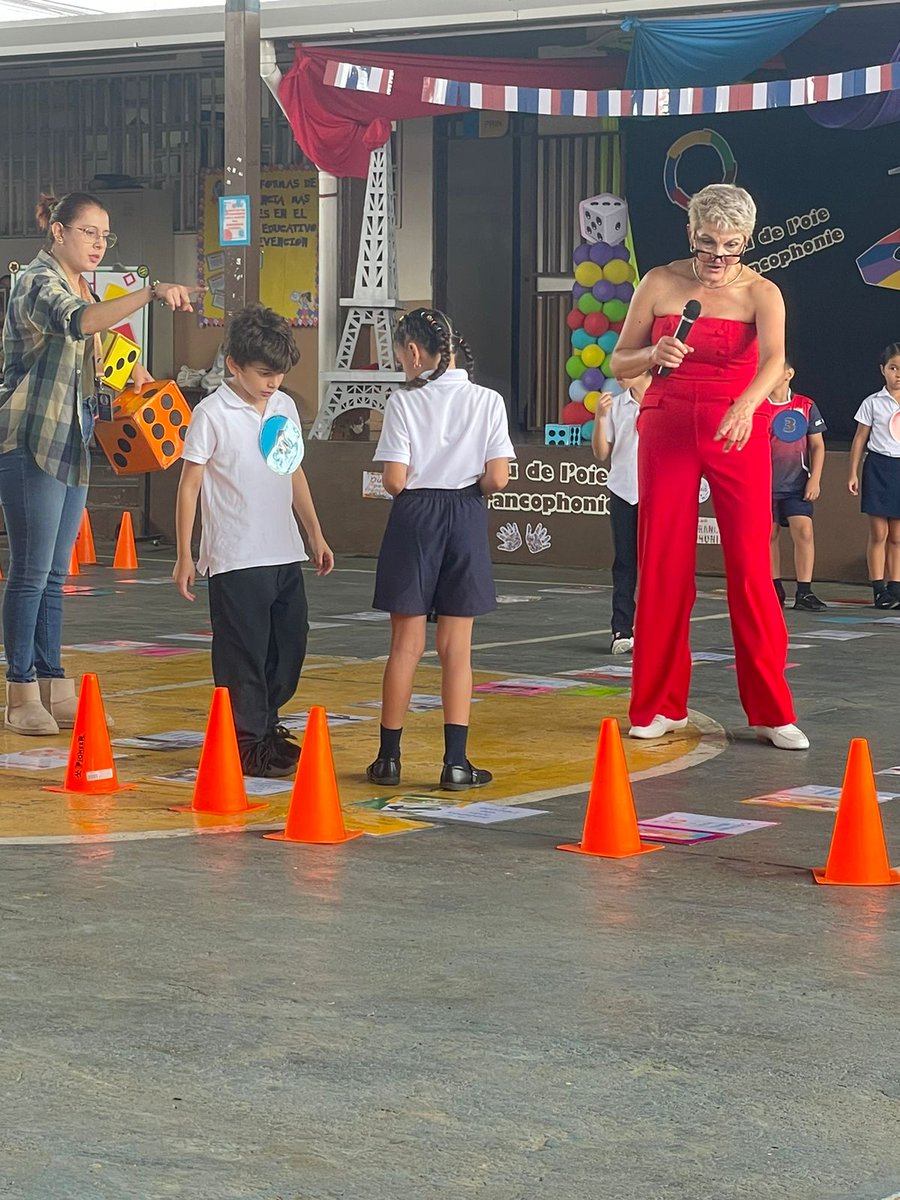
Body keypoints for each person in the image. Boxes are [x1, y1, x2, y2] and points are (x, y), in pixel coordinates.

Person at [609, 183, 808, 751]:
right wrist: (651, 355)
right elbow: (621, 359)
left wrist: (747, 405)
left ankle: (771, 711)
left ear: (746, 241)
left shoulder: (762, 293)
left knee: (751, 569)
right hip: (667, 423)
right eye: (707, 243)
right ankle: (657, 704)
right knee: (664, 564)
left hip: (737, 426)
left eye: (730, 246)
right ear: (690, 234)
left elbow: (775, 360)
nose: (718, 258)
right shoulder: (659, 282)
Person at [0, 191, 197, 736]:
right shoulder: (37, 282)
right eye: (89, 232)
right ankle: (20, 690)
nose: (98, 243)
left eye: (105, 235)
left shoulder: (78, 284)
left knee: (58, 572)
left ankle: (52, 680)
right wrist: (150, 292)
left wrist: (133, 372)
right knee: (31, 570)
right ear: (58, 232)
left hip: (71, 440)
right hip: (30, 440)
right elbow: (79, 323)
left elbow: (103, 346)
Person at [173, 304, 334, 778]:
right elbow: (190, 485)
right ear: (233, 365)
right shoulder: (212, 412)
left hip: (284, 548)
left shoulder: (283, 407)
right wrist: (185, 553)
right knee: (242, 653)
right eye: (264, 374)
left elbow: (293, 470)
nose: (273, 384)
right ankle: (248, 742)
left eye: (280, 375)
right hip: (235, 555)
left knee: (289, 645)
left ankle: (265, 725)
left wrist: (314, 532)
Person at [366, 308, 515, 791]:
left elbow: (394, 480)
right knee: (458, 651)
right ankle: (455, 763)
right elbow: (497, 478)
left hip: (415, 517)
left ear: (413, 352)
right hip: (466, 514)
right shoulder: (488, 400)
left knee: (405, 646)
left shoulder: (403, 403)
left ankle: (388, 760)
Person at [591, 371, 651, 654]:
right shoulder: (617, 404)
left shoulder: (661, 399)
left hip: (657, 493)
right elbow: (601, 453)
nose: (620, 377)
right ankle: (621, 629)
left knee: (655, 566)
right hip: (623, 490)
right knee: (625, 563)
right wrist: (599, 418)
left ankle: (654, 630)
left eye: (627, 371)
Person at [762, 361, 827, 611]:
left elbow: (817, 446)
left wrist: (815, 479)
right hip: (764, 484)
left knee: (804, 531)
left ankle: (805, 592)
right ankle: (774, 587)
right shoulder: (758, 404)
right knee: (769, 534)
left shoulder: (805, 405)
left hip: (797, 484)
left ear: (789, 373)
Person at [848, 342, 900, 608]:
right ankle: (879, 590)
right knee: (879, 533)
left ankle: (896, 588)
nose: (898, 374)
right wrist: (853, 472)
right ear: (883, 370)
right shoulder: (872, 402)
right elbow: (860, 439)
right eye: (893, 368)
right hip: (879, 468)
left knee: (897, 536)